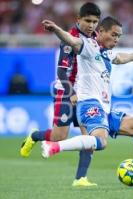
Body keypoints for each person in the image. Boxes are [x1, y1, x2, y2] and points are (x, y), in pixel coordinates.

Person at [41, 16, 133, 188]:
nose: (116, 39)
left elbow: (120, 58)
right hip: (89, 105)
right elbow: (72, 41)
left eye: (119, 36)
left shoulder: (105, 53)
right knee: (101, 142)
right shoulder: (89, 47)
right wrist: (56, 29)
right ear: (100, 32)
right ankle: (54, 146)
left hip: (104, 109)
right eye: (113, 35)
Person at [20, 2, 101, 187]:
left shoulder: (96, 38)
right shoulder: (69, 38)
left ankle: (81, 179)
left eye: (95, 22)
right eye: (88, 21)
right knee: (59, 136)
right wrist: (71, 92)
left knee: (88, 135)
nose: (91, 25)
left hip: (86, 94)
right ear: (78, 19)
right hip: (66, 91)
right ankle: (34, 136)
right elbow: (62, 72)